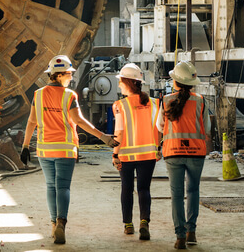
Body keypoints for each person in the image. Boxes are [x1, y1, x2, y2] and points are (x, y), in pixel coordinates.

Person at [20, 55, 119, 244]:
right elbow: (79, 121)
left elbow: (31, 121)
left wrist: (25, 146)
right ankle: (61, 223)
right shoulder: (69, 96)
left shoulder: (38, 94)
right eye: (68, 74)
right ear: (58, 75)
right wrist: (103, 137)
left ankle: (52, 225)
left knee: (51, 186)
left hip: (45, 149)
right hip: (65, 149)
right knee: (62, 186)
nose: (71, 77)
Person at [158, 61, 210, 250]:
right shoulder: (200, 101)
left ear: (175, 81)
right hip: (196, 152)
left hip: (173, 153)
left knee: (177, 195)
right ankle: (192, 233)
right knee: (193, 191)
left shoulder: (166, 100)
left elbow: (160, 127)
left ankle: (180, 237)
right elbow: (208, 128)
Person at [111, 63, 160, 240]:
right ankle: (144, 222)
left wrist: (115, 154)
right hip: (148, 154)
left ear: (128, 82)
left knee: (127, 188)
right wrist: (158, 148)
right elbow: (159, 128)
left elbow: (119, 132)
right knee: (144, 189)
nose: (118, 85)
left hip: (126, 154)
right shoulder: (155, 103)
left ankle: (128, 224)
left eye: (120, 81)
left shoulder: (119, 105)